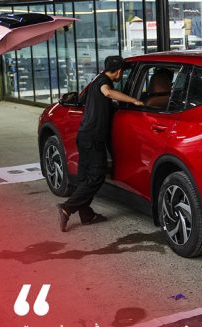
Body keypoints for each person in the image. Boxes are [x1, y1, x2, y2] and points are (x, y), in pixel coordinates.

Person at [57, 55, 143, 232]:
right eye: (122, 72)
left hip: (84, 135)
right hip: (94, 138)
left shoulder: (96, 79)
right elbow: (107, 92)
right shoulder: (104, 82)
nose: (121, 75)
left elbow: (87, 100)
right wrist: (134, 100)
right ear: (118, 71)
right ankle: (67, 207)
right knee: (96, 176)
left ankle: (86, 214)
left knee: (84, 177)